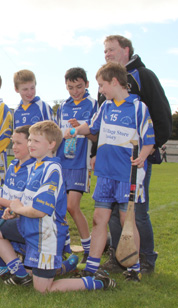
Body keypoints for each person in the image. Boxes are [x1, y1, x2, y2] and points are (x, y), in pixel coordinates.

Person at [0, 121, 116, 292]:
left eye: (36, 141)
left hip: (46, 237)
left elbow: (39, 211)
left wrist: (17, 208)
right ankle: (21, 274)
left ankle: (99, 282)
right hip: (28, 227)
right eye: (30, 140)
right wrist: (14, 212)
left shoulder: (52, 169)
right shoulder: (37, 165)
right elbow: (29, 202)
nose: (30, 144)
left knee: (43, 289)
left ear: (52, 144)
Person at [65, 62, 155, 282]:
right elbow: (92, 128)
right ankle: (92, 267)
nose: (100, 89)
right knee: (99, 218)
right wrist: (74, 130)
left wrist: (142, 156)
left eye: (102, 85)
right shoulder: (105, 107)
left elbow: (149, 139)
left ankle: (134, 268)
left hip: (127, 175)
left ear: (115, 82)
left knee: (127, 220)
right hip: (105, 174)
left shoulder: (138, 107)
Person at [100, 35, 171, 274]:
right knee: (112, 215)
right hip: (111, 164)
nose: (107, 54)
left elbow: (161, 114)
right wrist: (93, 152)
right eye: (105, 51)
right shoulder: (106, 83)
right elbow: (101, 125)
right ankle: (121, 258)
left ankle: (146, 260)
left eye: (111, 50)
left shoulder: (144, 75)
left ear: (126, 50)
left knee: (137, 213)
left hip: (136, 160)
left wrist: (150, 150)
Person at [0, 125, 36, 278]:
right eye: (13, 142)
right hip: (7, 213)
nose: (14, 147)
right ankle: (1, 264)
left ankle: (16, 269)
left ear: (30, 144)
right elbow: (9, 198)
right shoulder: (12, 165)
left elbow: (25, 206)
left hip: (24, 219)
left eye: (18, 143)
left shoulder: (34, 169)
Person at [56, 68, 98, 263]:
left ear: (87, 84)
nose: (75, 91)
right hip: (61, 162)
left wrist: (80, 128)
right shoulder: (63, 106)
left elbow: (96, 135)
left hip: (80, 162)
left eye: (79, 86)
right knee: (60, 208)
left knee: (73, 207)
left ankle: (88, 249)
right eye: (71, 87)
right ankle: (62, 249)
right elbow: (57, 135)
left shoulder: (94, 105)